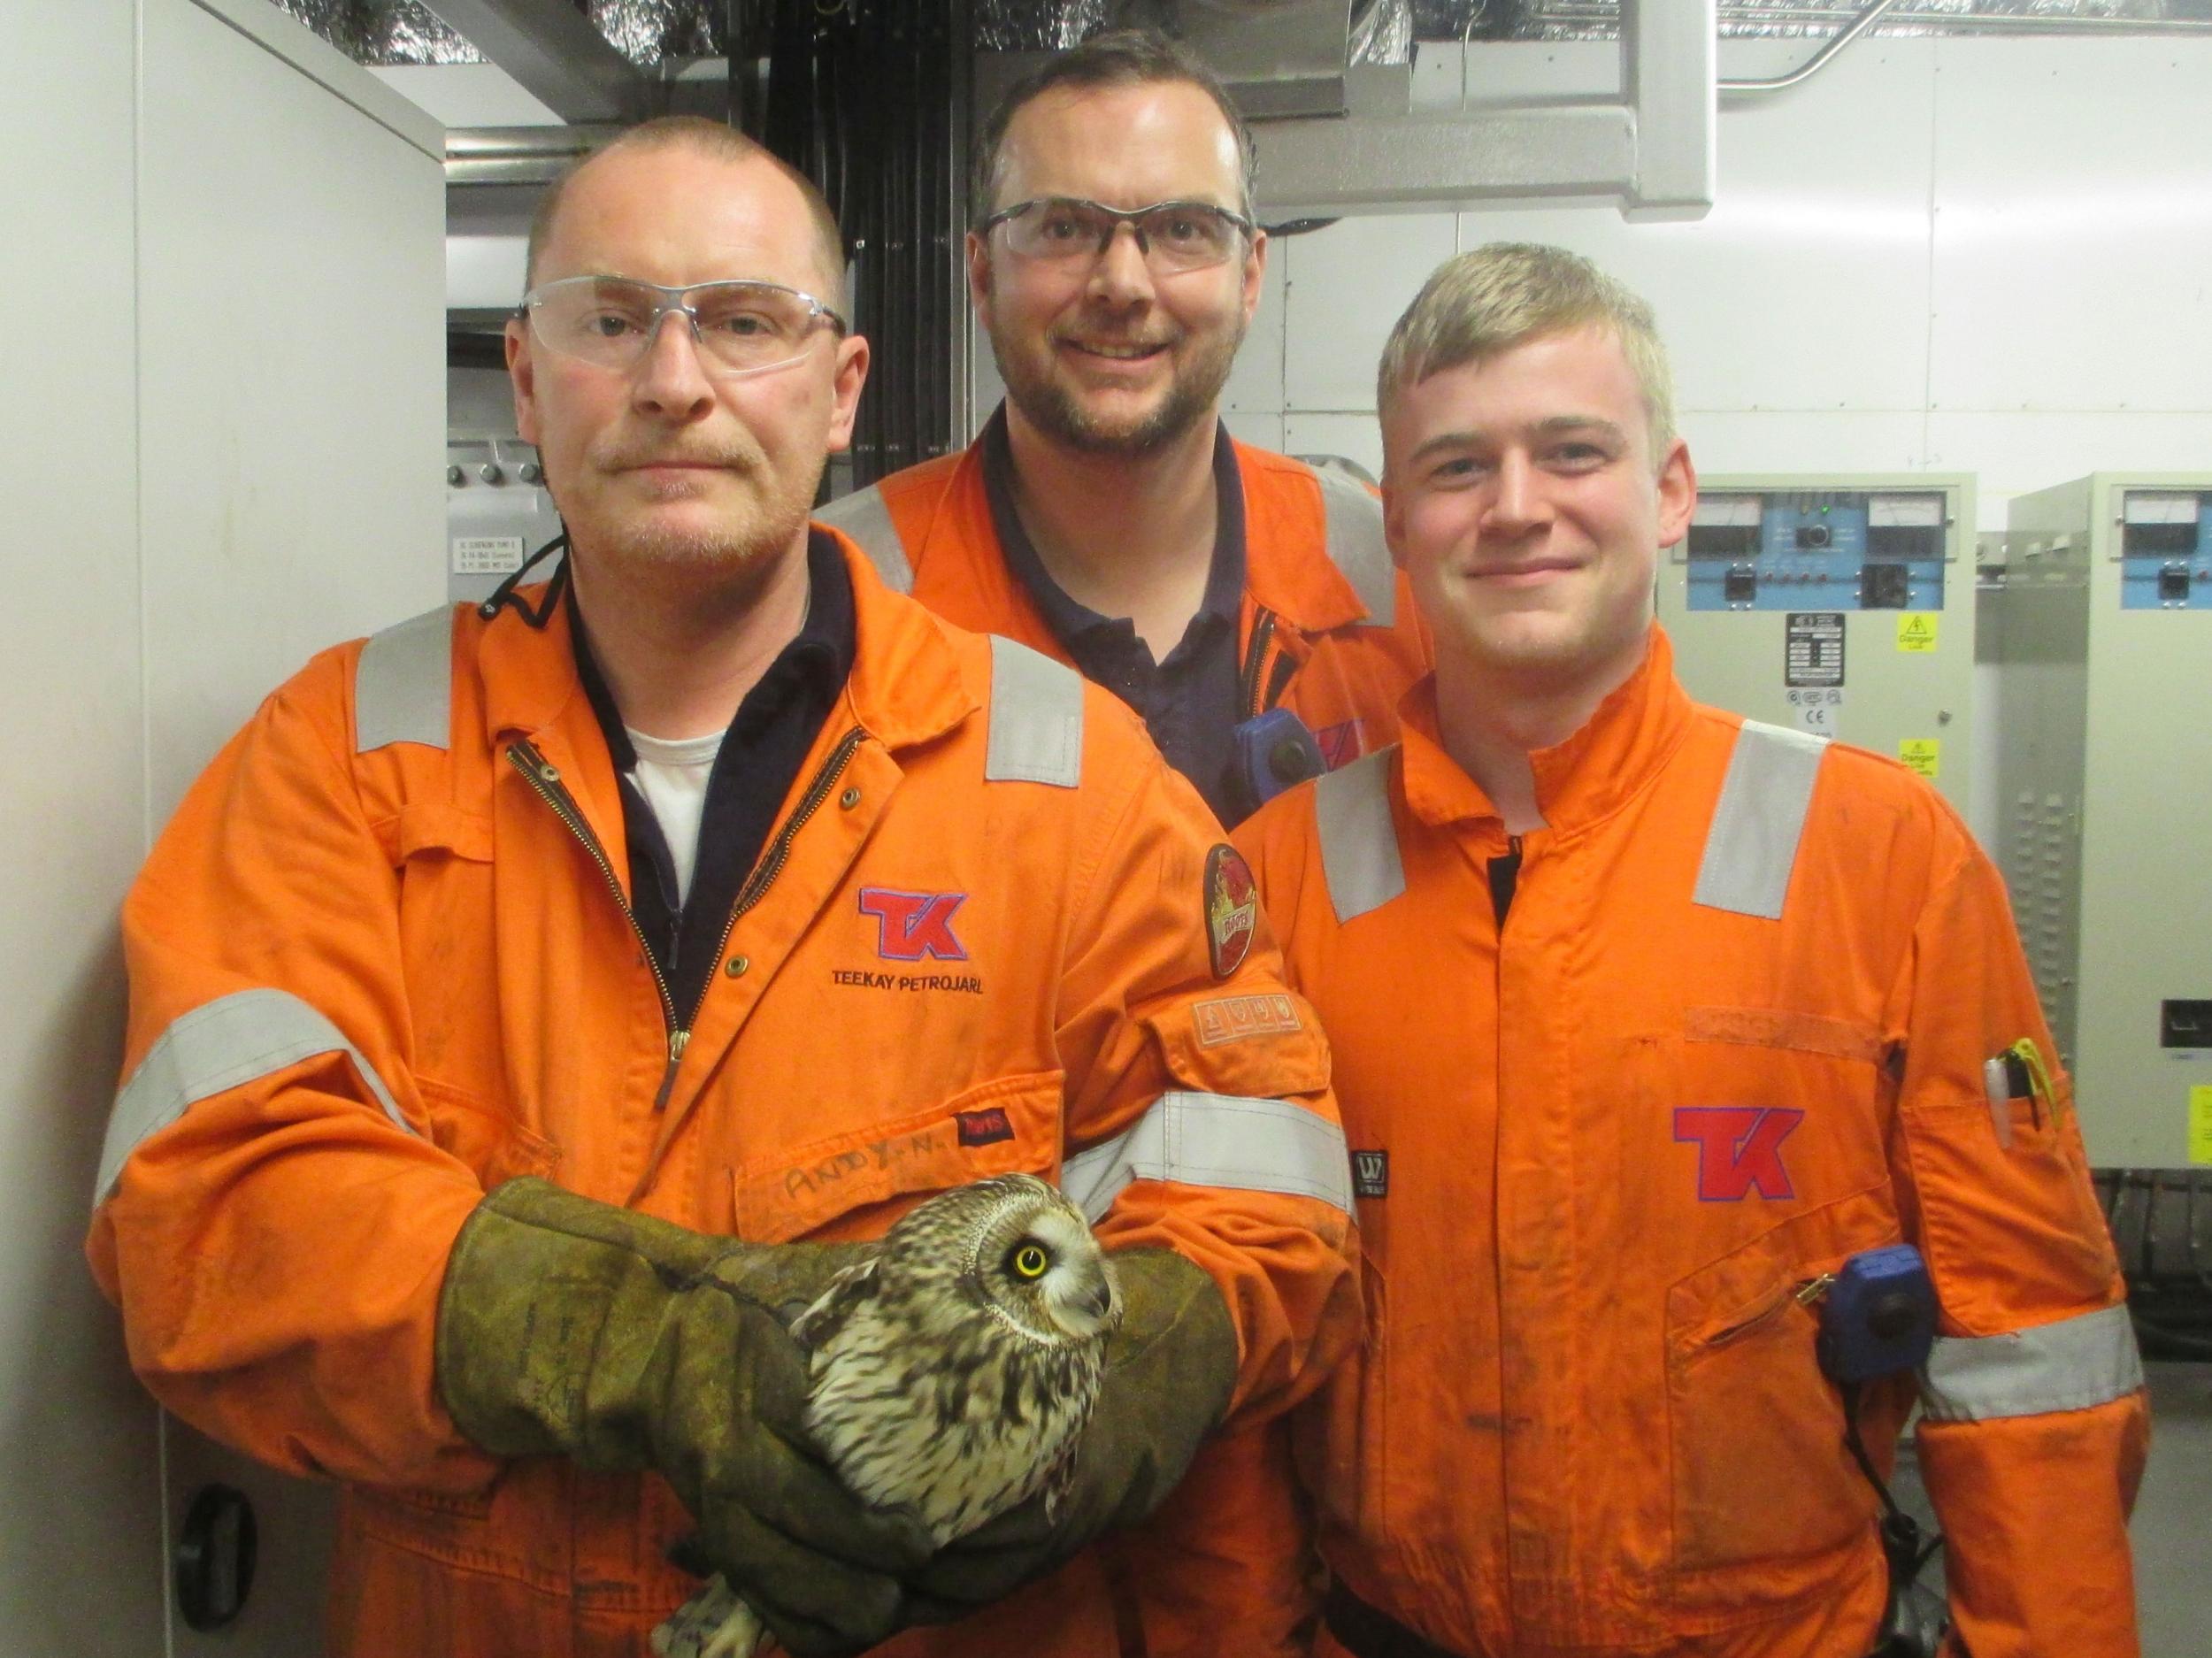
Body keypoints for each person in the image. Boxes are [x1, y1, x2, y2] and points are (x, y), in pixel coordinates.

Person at [85, 117, 1360, 1658]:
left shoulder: (1072, 784)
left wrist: (1093, 1410)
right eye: (609, 320)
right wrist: (644, 1335)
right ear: (527, 379)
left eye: (746, 323)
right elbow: (209, 1207)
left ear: (840, 395)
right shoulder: (344, 758)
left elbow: (1263, 1191)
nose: (675, 381)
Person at [1232, 242, 2148, 1658]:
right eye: (1458, 467)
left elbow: (2032, 1344)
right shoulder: (1278, 878)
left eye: (1573, 450)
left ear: (1669, 493)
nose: (1517, 509)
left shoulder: (1880, 851)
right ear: (1397, 522)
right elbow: (1242, 1350)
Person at [817, 29, 1430, 832]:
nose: (1122, 283)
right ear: (981, 274)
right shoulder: (832, 596)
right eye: (1065, 227)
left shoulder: (1400, 577)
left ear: (1249, 277)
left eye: (1182, 229)